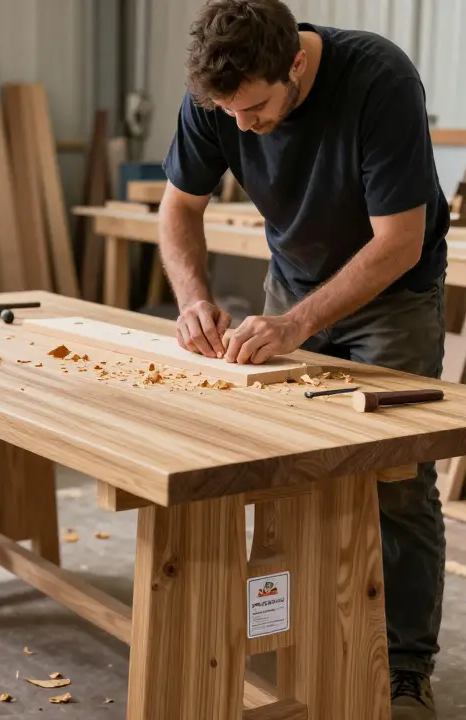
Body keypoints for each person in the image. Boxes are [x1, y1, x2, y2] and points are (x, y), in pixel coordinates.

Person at [161, 1, 447, 717]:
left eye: (254, 108)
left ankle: (406, 667)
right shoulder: (218, 98)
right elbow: (178, 209)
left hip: (392, 293)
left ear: (295, 64)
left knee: (396, 476)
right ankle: (292, 635)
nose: (241, 126)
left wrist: (296, 324)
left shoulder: (379, 80)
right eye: (225, 112)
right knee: (281, 465)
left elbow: (399, 242)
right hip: (293, 285)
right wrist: (193, 298)